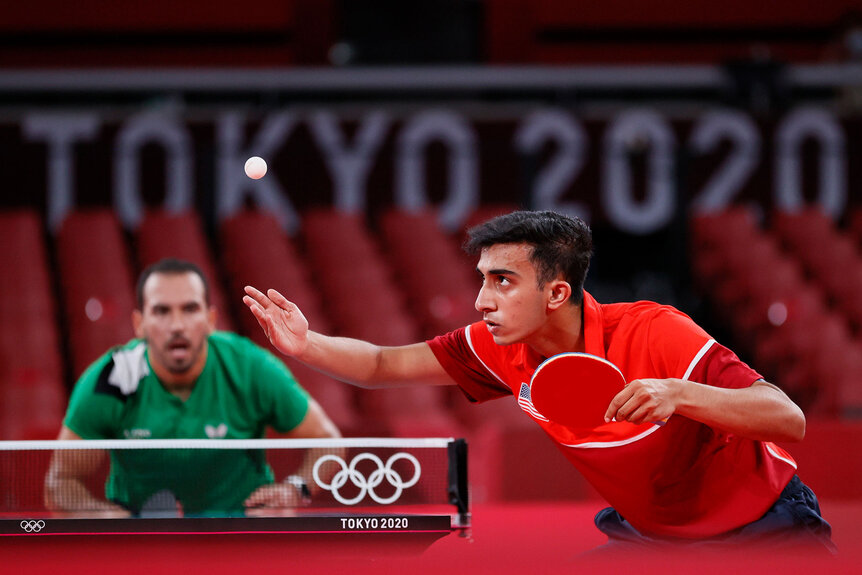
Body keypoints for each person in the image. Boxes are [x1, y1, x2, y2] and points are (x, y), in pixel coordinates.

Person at [243, 210, 835, 553]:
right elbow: (380, 365)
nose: (481, 300)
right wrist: (307, 344)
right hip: (652, 542)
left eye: (502, 281)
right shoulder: (499, 350)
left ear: (556, 292)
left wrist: (680, 393)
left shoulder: (656, 332)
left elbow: (788, 418)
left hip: (765, 529)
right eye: (482, 279)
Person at [45, 258, 341, 517]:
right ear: (139, 323)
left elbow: (329, 441)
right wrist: (106, 519)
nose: (177, 325)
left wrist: (295, 489)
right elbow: (60, 483)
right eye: (162, 311)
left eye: (189, 309)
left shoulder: (250, 368)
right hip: (142, 545)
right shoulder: (111, 380)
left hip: (240, 537)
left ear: (210, 320)